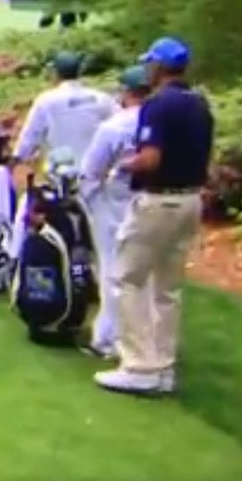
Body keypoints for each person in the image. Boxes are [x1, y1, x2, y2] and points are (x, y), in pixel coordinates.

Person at [95, 37, 213, 395]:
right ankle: (162, 366)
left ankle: (138, 365)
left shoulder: (158, 105)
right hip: (191, 200)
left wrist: (121, 165)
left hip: (158, 201)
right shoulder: (199, 104)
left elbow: (150, 159)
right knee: (167, 287)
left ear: (159, 67)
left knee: (127, 277)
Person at [78, 66, 152, 360]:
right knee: (147, 274)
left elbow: (91, 171)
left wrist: (89, 199)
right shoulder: (161, 123)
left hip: (116, 201)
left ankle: (108, 339)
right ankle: (143, 340)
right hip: (151, 200)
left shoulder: (115, 126)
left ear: (126, 91)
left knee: (112, 269)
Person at [10, 51, 119, 171]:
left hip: (62, 176)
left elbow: (30, 136)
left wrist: (14, 161)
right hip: (98, 172)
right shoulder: (102, 98)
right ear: (79, 72)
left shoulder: (47, 101)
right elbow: (120, 126)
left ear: (55, 73)